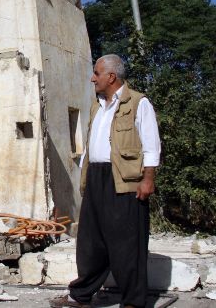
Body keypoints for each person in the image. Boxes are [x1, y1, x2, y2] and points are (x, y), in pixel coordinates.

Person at [50, 54, 161, 308]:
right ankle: (80, 295)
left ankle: (133, 301)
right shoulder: (96, 106)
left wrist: (148, 179)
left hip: (123, 179)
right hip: (96, 178)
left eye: (97, 73)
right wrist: (85, 176)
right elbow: (91, 145)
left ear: (111, 77)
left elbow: (151, 145)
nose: (93, 78)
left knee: (127, 243)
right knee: (90, 242)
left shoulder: (138, 103)